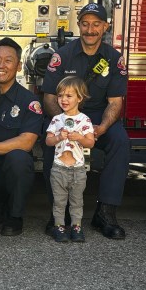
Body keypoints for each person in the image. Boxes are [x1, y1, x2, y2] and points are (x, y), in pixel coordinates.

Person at [40, 3, 130, 240]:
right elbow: (49, 97)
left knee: (120, 141)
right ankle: (58, 213)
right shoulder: (62, 56)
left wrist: (101, 128)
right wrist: (61, 124)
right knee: (50, 140)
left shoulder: (114, 59)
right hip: (66, 116)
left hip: (99, 117)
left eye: (96, 24)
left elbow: (115, 102)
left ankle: (105, 213)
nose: (90, 29)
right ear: (78, 25)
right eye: (85, 24)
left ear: (105, 27)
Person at [0, 38, 44, 236]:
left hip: (7, 169)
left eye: (8, 61)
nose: (1, 66)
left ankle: (14, 215)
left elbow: (26, 142)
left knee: (19, 158)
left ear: (19, 66)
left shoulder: (29, 101)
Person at [45, 76, 96, 244]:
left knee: (76, 201)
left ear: (79, 98)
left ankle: (76, 226)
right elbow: (48, 141)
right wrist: (59, 136)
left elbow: (91, 142)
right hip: (59, 168)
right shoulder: (56, 119)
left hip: (78, 169)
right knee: (59, 201)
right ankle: (59, 226)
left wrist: (80, 137)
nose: (63, 100)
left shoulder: (85, 120)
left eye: (69, 96)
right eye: (60, 96)